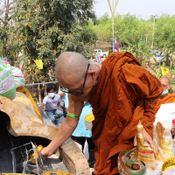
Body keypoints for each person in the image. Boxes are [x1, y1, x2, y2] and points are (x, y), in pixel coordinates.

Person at [41, 51, 163, 174]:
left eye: (77, 91)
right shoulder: (77, 88)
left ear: (92, 74)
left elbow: (155, 93)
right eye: (68, 90)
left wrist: (144, 126)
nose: (74, 95)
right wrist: (50, 148)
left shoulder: (124, 71)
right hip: (107, 138)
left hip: (136, 135)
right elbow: (71, 120)